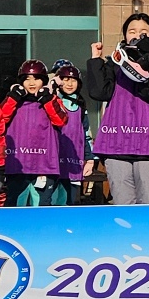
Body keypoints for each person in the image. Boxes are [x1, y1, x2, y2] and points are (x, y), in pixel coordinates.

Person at [86, 13, 149, 205]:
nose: (137, 36)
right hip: (117, 144)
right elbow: (100, 92)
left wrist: (146, 64)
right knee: (122, 206)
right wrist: (96, 60)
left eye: (144, 32)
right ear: (124, 36)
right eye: (132, 31)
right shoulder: (116, 64)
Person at [0, 60, 70, 207]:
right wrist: (13, 98)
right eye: (27, 79)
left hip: (45, 165)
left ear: (43, 81)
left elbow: (61, 120)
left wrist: (47, 99)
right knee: (14, 206)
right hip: (18, 165)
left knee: (43, 207)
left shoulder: (52, 99)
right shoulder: (14, 99)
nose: (31, 83)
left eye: (36, 78)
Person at [50, 62, 96, 204]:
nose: (69, 84)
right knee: (50, 201)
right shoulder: (51, 100)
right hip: (53, 160)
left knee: (68, 202)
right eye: (65, 79)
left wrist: (89, 158)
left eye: (73, 80)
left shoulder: (80, 104)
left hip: (74, 160)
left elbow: (85, 132)